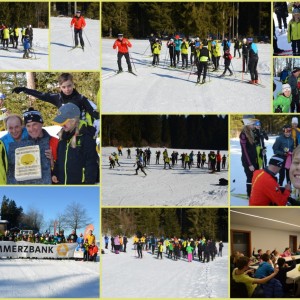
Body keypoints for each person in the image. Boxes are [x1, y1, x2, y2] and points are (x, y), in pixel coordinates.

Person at [12, 73, 99, 132]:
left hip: (81, 132)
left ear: (73, 84)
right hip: (66, 132)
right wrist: (24, 89)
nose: (67, 89)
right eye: (64, 87)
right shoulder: (58, 98)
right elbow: (42, 95)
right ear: (60, 87)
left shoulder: (81, 98)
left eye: (69, 86)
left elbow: (93, 113)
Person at [6, 108, 58, 184]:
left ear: (41, 123)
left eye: (34, 124)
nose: (32, 129)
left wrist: (52, 163)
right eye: (28, 126)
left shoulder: (55, 142)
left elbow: (64, 170)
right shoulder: (21, 146)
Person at [51, 103, 98, 184]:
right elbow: (59, 161)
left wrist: (88, 184)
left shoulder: (85, 138)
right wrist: (55, 174)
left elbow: (91, 165)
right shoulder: (62, 138)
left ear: (74, 120)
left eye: (64, 121)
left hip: (80, 188)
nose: (62, 124)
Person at [240, 116, 259, 197]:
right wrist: (250, 164)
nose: (254, 124)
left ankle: (255, 192)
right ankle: (249, 194)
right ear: (247, 123)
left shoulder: (252, 132)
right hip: (247, 161)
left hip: (254, 159)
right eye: (252, 122)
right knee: (250, 177)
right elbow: (244, 151)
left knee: (256, 177)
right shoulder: (243, 135)